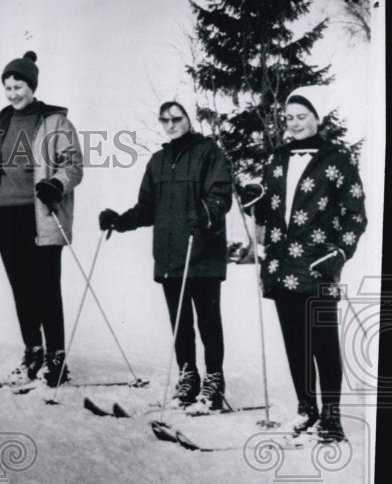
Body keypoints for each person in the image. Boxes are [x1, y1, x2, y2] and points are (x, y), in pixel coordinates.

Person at [238, 86, 367, 443]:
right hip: (281, 264)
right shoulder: (275, 158)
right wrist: (255, 200)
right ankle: (306, 408)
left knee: (323, 341)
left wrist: (340, 252)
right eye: (289, 118)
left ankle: (332, 417)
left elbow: (355, 215)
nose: (294, 124)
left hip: (319, 264)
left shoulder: (337, 158)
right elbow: (267, 212)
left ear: (317, 118)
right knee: (295, 341)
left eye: (301, 117)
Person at [99, 101, 233, 410]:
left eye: (176, 118)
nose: (171, 124)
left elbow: (220, 195)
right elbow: (147, 208)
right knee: (180, 322)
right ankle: (189, 376)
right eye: (165, 120)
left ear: (188, 119)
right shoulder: (158, 161)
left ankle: (214, 379)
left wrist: (207, 211)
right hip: (169, 254)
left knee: (208, 320)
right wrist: (120, 220)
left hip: (202, 253)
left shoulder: (209, 153)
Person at [0, 51, 84, 388]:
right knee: (21, 290)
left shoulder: (55, 122)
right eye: (8, 88)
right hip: (5, 215)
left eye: (19, 86)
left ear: (32, 86)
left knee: (46, 289)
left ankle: (56, 357)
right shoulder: (1, 123)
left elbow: (73, 165)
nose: (13, 94)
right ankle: (32, 351)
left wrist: (57, 183)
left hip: (40, 214)